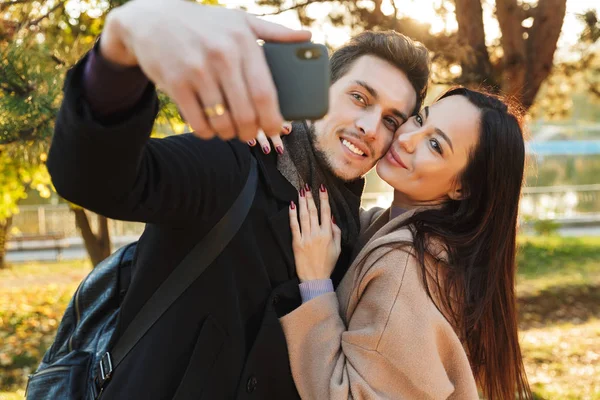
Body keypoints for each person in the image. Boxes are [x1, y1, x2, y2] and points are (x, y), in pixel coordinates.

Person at [45, 0, 430, 398]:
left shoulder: (353, 243)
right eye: (359, 98)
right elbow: (93, 177)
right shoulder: (234, 162)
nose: (369, 127)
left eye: (390, 120)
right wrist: (120, 55)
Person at [282, 87, 533, 400]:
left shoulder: (406, 265)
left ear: (462, 188)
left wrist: (316, 285)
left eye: (435, 144)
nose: (405, 139)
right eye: (419, 119)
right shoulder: (388, 228)